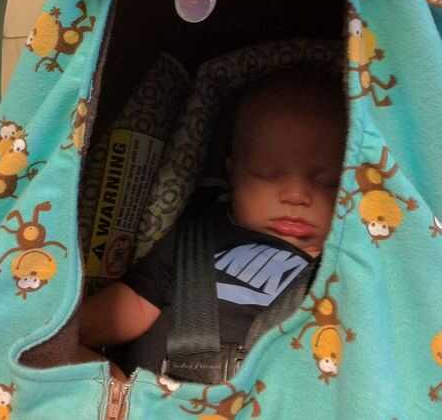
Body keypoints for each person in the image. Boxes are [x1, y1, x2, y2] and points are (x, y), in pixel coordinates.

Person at [79, 65, 347, 381]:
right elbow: (134, 305)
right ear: (232, 173)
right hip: (156, 397)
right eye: (266, 174)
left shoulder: (349, 267)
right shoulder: (194, 239)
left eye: (328, 183)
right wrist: (59, 337)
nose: (296, 196)